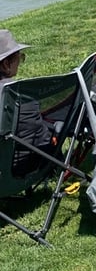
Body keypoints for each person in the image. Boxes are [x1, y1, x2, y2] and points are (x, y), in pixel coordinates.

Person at [0, 30, 59, 177]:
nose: (20, 63)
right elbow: (39, 137)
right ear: (6, 64)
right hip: (19, 169)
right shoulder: (22, 97)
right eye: (20, 58)